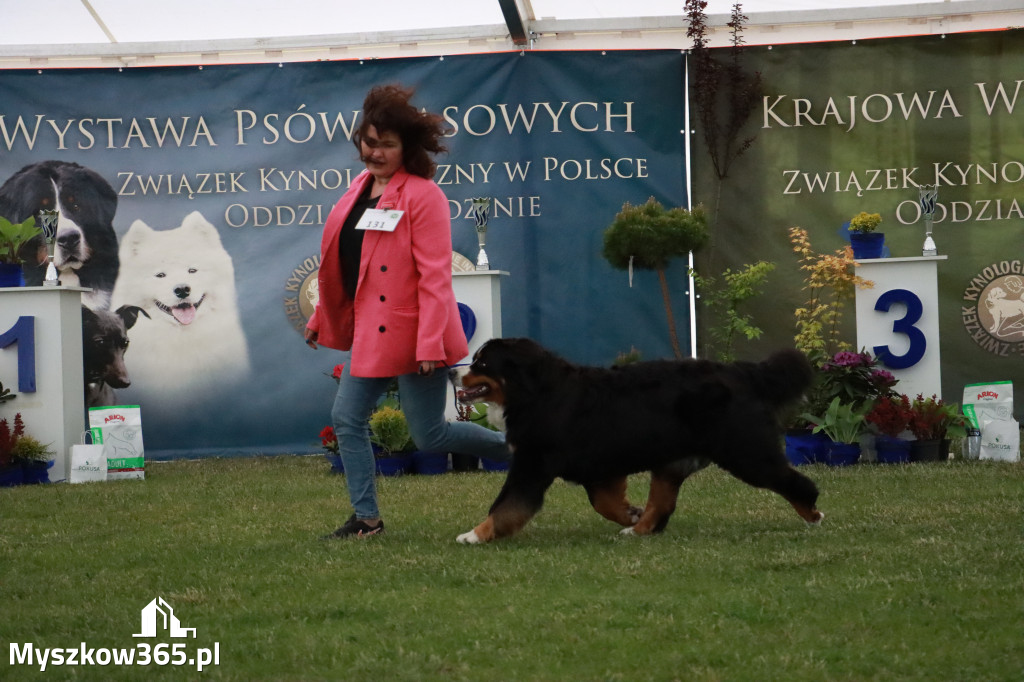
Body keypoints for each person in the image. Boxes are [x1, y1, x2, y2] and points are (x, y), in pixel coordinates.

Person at [305, 84, 509, 538]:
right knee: (347, 419)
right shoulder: (358, 189)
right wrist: (322, 316)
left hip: (415, 334)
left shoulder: (424, 196)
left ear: (407, 149)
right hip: (370, 335)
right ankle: (366, 518)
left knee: (431, 437)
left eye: (387, 145)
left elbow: (435, 277)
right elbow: (344, 265)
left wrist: (431, 341)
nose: (375, 152)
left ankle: (523, 449)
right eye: (369, 141)